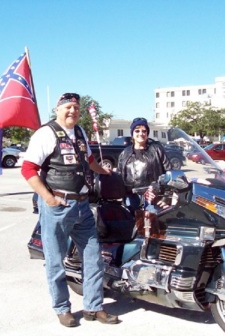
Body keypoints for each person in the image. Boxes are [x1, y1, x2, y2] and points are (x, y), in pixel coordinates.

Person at [21, 93, 118, 327]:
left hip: (83, 205)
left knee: (93, 257)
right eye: (68, 107)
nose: (72, 111)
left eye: (76, 107)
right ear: (58, 109)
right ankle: (62, 308)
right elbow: (27, 169)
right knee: (56, 261)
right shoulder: (45, 133)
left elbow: (90, 160)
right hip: (58, 206)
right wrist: (48, 198)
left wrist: (104, 172)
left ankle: (93, 307)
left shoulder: (81, 132)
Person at [117, 117, 172, 213]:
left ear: (147, 133)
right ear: (132, 134)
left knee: (151, 226)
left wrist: (166, 197)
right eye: (137, 131)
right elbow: (119, 176)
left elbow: (170, 174)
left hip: (153, 199)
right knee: (133, 227)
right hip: (131, 200)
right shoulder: (124, 153)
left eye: (144, 131)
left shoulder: (157, 150)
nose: (140, 134)